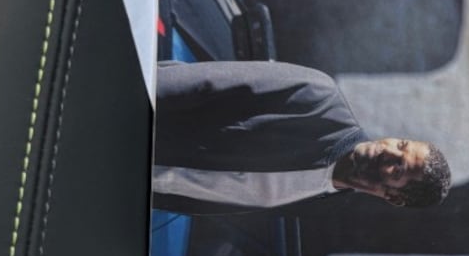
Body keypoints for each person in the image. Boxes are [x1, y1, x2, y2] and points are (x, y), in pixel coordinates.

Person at [152, 60, 450, 214]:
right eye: (401, 145)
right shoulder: (318, 96)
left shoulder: (322, 203)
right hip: (132, 124)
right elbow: (202, 83)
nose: (389, 152)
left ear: (394, 197)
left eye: (399, 169)